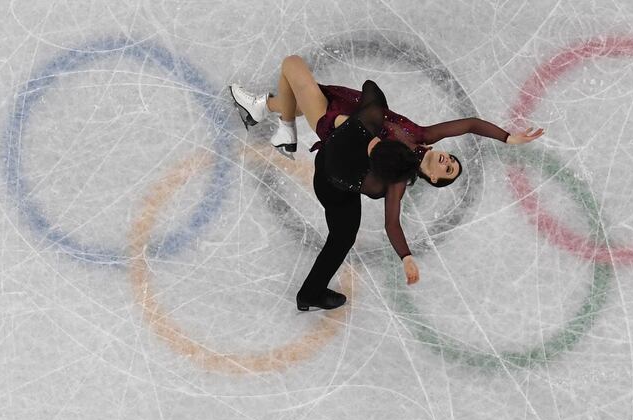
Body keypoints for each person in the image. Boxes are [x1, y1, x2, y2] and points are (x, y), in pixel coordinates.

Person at [230, 55, 543, 311]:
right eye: (452, 160)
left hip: (337, 132)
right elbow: (471, 125)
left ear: (432, 178)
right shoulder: (423, 136)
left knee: (293, 66)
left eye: (448, 170)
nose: (448, 162)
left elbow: (392, 224)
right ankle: (263, 108)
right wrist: (507, 138)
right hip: (354, 115)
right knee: (343, 238)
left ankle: (284, 127)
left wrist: (406, 257)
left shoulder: (397, 181)